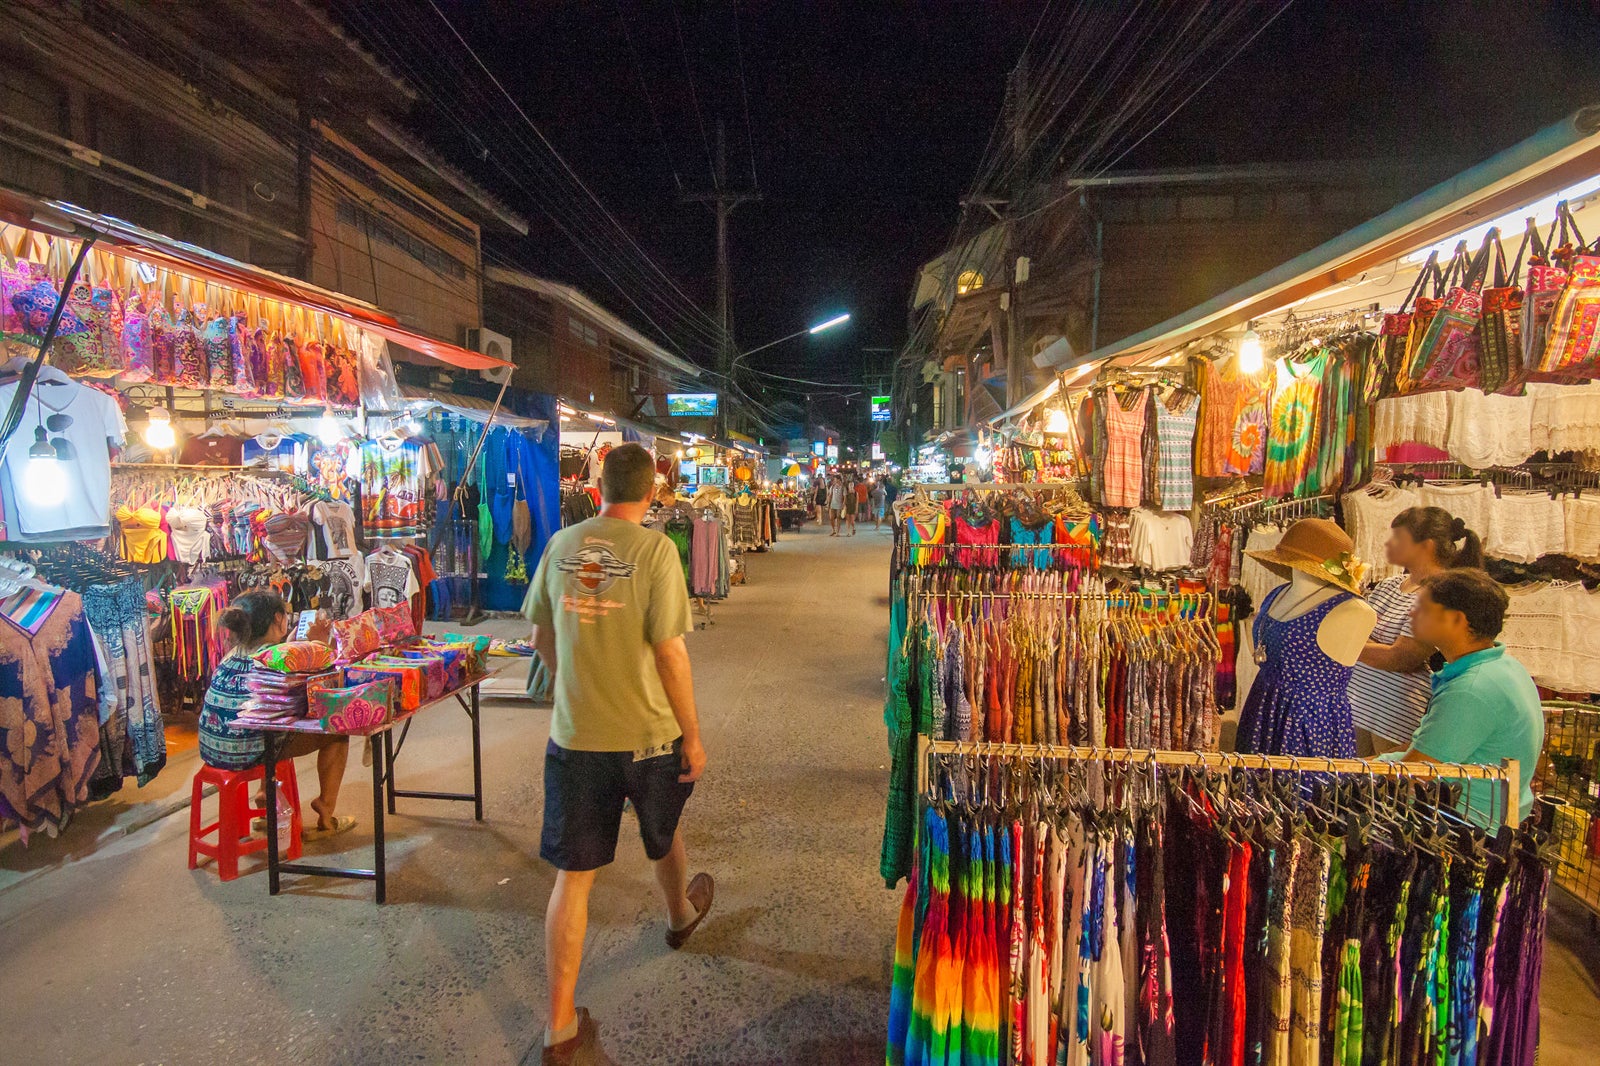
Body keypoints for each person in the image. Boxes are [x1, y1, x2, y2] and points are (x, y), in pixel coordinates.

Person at [525, 443, 712, 1065]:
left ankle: (558, 1024)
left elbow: (540, 638)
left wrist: (568, 685)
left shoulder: (560, 544)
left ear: (598, 484)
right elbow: (670, 653)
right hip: (650, 735)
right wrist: (693, 733)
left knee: (573, 878)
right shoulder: (656, 550)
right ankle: (680, 915)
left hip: (577, 736)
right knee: (663, 833)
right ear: (653, 492)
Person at [1379, 568, 1543, 827]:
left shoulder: (1471, 689)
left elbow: (1414, 772)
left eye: (1423, 607)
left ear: (1457, 620)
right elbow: (1422, 750)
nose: (1412, 613)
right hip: (1480, 818)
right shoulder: (1504, 666)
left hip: (1463, 830)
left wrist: (1351, 768)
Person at [198, 590, 355, 836]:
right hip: (249, 752)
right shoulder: (278, 658)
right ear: (278, 618)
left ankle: (264, 795)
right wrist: (318, 644)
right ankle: (326, 812)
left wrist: (295, 645)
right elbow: (323, 685)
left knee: (271, 722)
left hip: (213, 750)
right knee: (335, 732)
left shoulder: (231, 655)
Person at [1349, 507, 1485, 756]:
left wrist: (1349, 643)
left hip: (1395, 712)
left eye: (1398, 538)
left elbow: (1401, 658)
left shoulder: (1441, 594)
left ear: (1426, 546)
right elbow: (1359, 630)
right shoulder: (1390, 585)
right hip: (1360, 703)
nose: (1389, 543)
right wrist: (1367, 643)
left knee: (1383, 788)